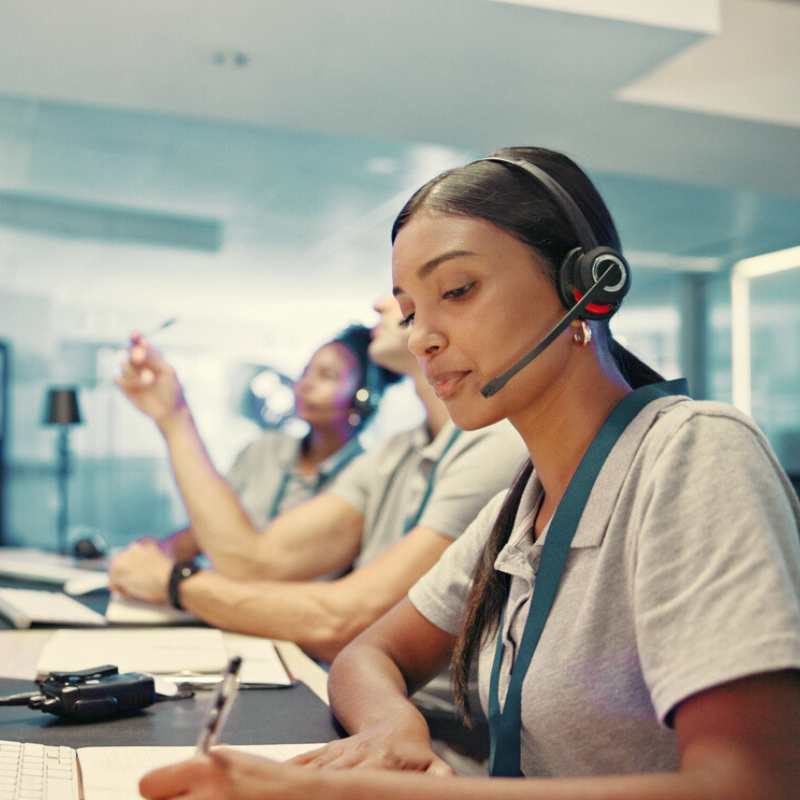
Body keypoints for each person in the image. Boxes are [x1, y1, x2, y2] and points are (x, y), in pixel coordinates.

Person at [139, 147, 800, 800]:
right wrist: (392, 724)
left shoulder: (693, 454)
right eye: (410, 311)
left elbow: (750, 785)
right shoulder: (520, 507)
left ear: (587, 288)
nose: (423, 336)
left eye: (456, 290)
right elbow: (368, 654)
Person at [109, 294, 526, 661]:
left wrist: (175, 581)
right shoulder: (396, 452)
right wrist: (173, 418)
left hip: (432, 729)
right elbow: (256, 560)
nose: (379, 304)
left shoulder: (494, 444)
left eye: (403, 294)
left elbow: (344, 621)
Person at [116, 324, 399, 565]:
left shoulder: (369, 476)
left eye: (326, 376)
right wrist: (158, 553)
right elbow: (209, 527)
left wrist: (174, 416)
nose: (303, 386)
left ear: (365, 398)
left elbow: (264, 563)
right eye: (305, 372)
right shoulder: (264, 448)